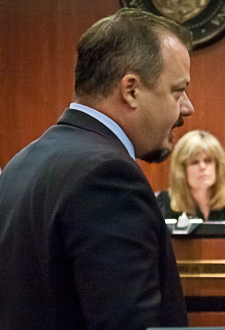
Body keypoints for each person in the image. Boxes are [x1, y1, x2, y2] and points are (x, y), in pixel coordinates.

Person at [0, 8, 194, 329]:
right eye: (178, 90)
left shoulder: (22, 162)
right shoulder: (108, 177)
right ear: (131, 90)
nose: (188, 106)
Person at [157, 130, 225, 222]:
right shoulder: (164, 204)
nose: (202, 167)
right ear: (182, 170)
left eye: (208, 161)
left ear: (217, 166)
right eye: (194, 162)